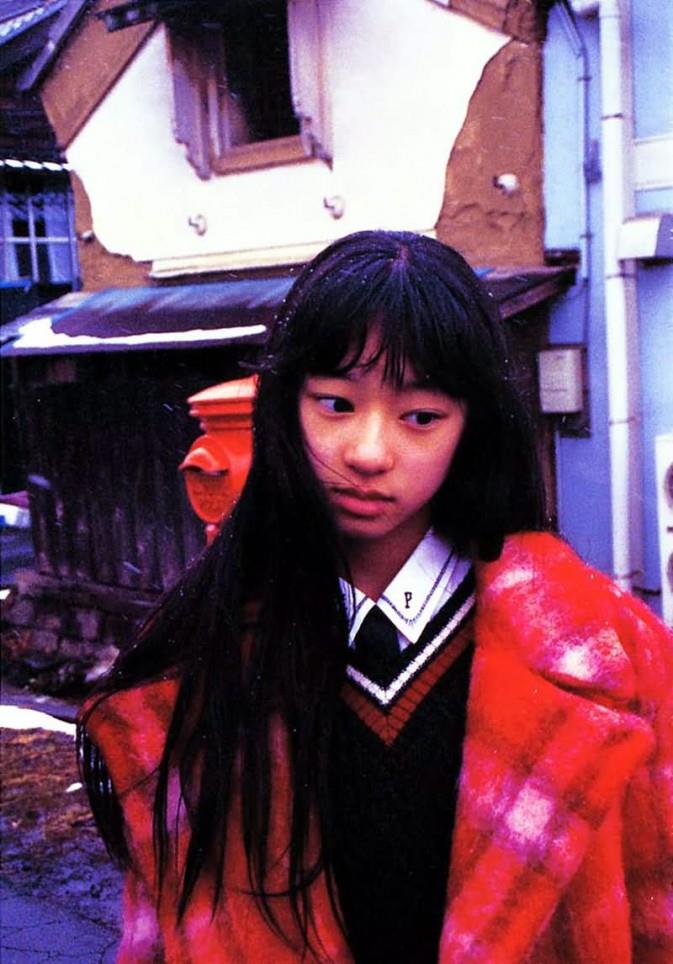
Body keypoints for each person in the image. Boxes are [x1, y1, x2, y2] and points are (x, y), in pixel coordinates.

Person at [79, 231, 672, 964]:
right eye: (334, 403)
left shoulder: (612, 653)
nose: (367, 452)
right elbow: (159, 936)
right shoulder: (200, 657)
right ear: (285, 407)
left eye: (419, 416)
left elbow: (658, 909)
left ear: (473, 428)